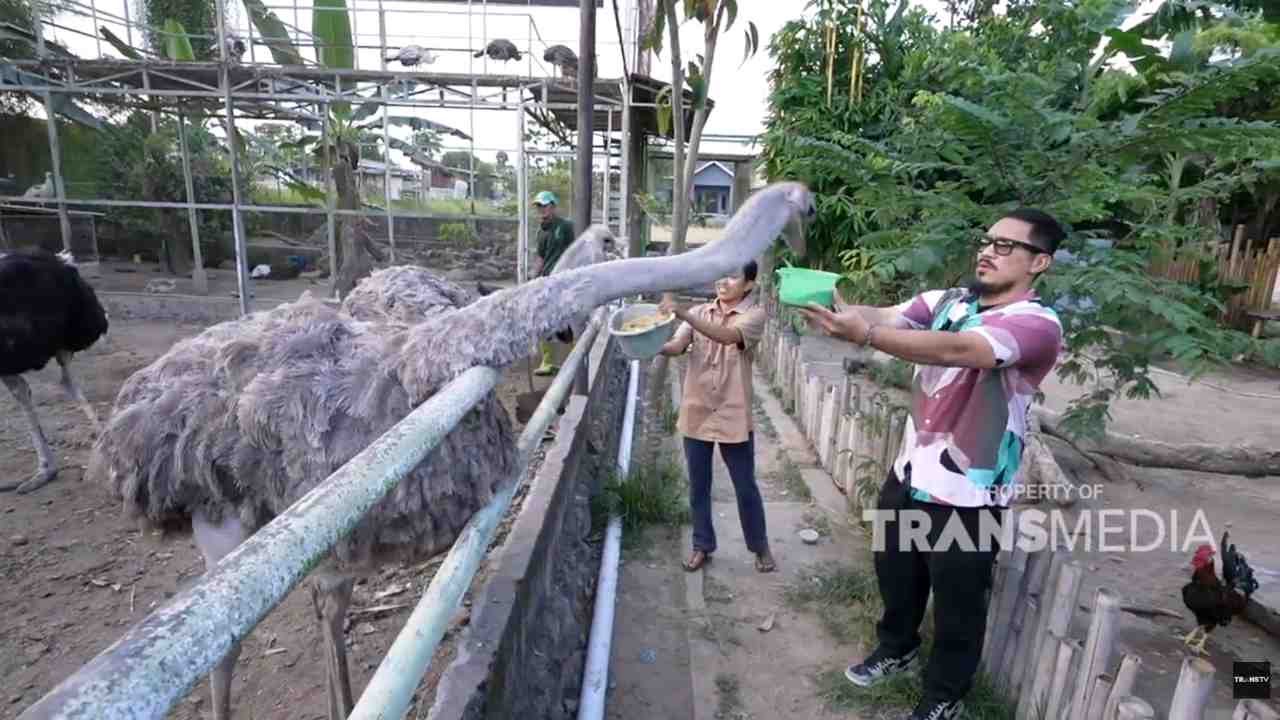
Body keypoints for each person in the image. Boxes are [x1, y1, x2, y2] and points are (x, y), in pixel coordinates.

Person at [798, 209, 1066, 720]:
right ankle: (897, 648)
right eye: (987, 240)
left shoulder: (1037, 324)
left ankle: (945, 695)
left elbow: (958, 350)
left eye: (1007, 246)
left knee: (958, 603)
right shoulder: (950, 301)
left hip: (970, 493)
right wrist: (835, 309)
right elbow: (886, 315)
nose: (988, 250)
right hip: (911, 472)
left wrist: (865, 336)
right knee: (896, 574)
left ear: (1041, 263)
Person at [658, 260, 777, 574]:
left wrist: (681, 312)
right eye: (720, 275)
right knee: (698, 486)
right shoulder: (699, 314)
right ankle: (702, 546)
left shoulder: (754, 315)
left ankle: (759, 545)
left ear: (749, 284)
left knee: (744, 486)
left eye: (733, 276)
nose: (723, 282)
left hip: (732, 413)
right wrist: (650, 343)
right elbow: (677, 345)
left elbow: (727, 337)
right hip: (696, 410)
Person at [531, 190, 576, 376]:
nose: (541, 209)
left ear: (553, 206)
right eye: (539, 206)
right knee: (544, 321)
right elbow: (541, 257)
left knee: (570, 318)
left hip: (565, 281)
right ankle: (548, 362)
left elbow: (574, 250)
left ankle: (576, 361)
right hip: (547, 281)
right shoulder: (541, 231)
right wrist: (534, 278)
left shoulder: (565, 226)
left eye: (544, 205)